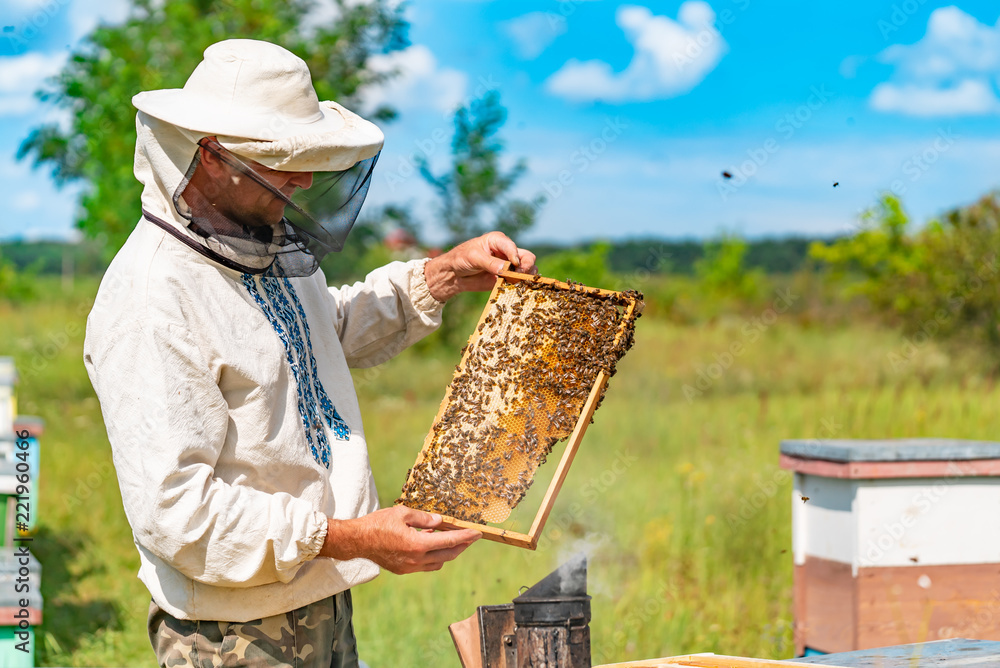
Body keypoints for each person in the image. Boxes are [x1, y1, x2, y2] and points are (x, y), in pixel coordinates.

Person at [83, 38, 537, 667]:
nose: (303, 179)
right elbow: (177, 513)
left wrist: (443, 275)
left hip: (317, 597)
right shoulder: (152, 300)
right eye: (282, 160)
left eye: (311, 157)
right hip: (229, 635)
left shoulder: (260, 246)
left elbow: (322, 334)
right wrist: (352, 537)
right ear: (212, 157)